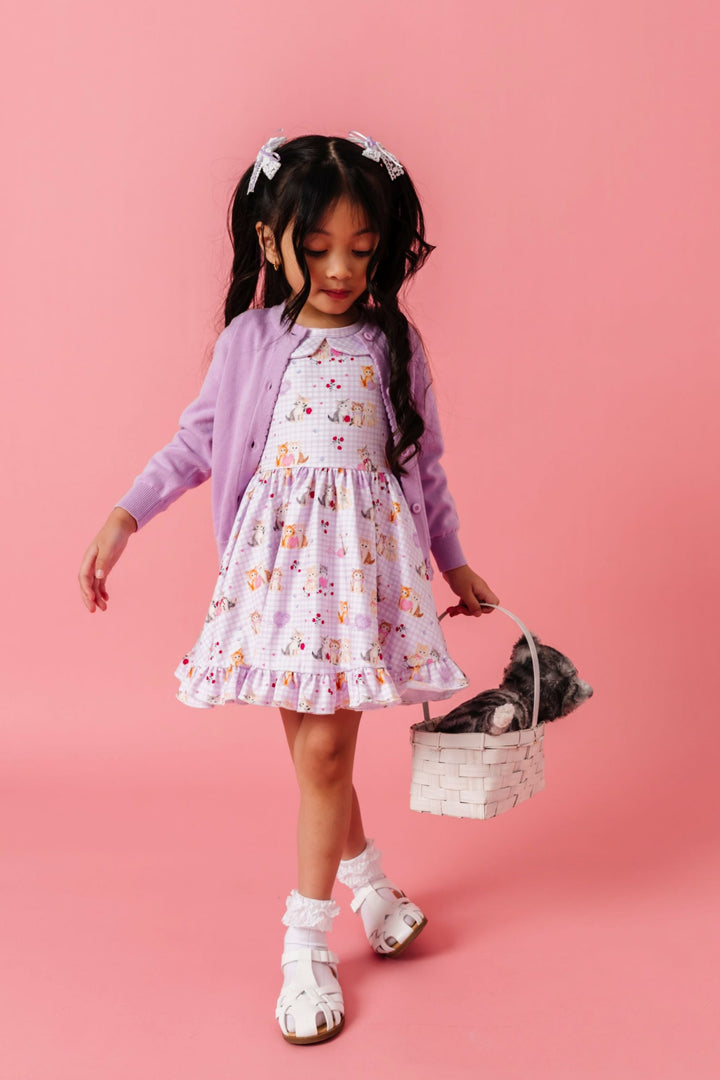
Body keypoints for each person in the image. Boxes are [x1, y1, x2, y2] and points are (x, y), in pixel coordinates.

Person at [78, 130, 500, 1045]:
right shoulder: (250, 341)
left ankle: (304, 945)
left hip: (355, 575)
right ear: (271, 241)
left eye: (362, 248)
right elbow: (197, 442)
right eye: (318, 251)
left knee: (323, 761)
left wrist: (453, 559)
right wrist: (126, 515)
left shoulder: (393, 345)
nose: (343, 269)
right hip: (274, 575)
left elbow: (423, 467)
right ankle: (376, 891)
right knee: (318, 759)